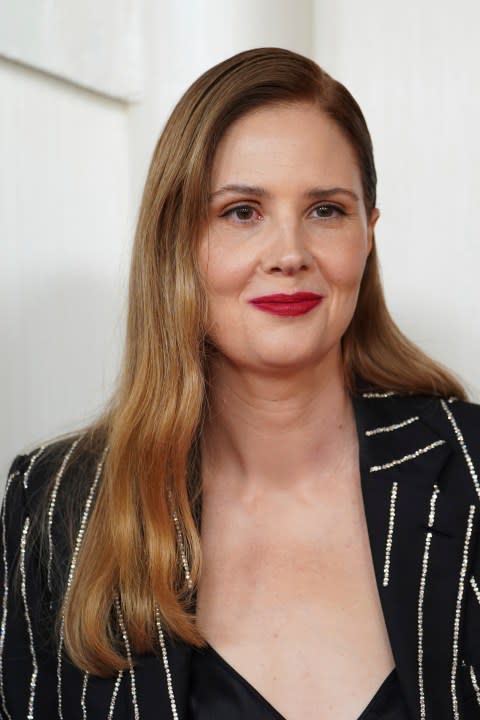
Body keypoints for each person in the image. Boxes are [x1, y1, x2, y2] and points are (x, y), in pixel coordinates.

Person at [1, 47, 480, 720]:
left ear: (368, 235)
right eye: (241, 212)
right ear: (178, 241)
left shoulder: (471, 469)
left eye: (326, 211)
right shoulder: (55, 507)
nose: (289, 253)